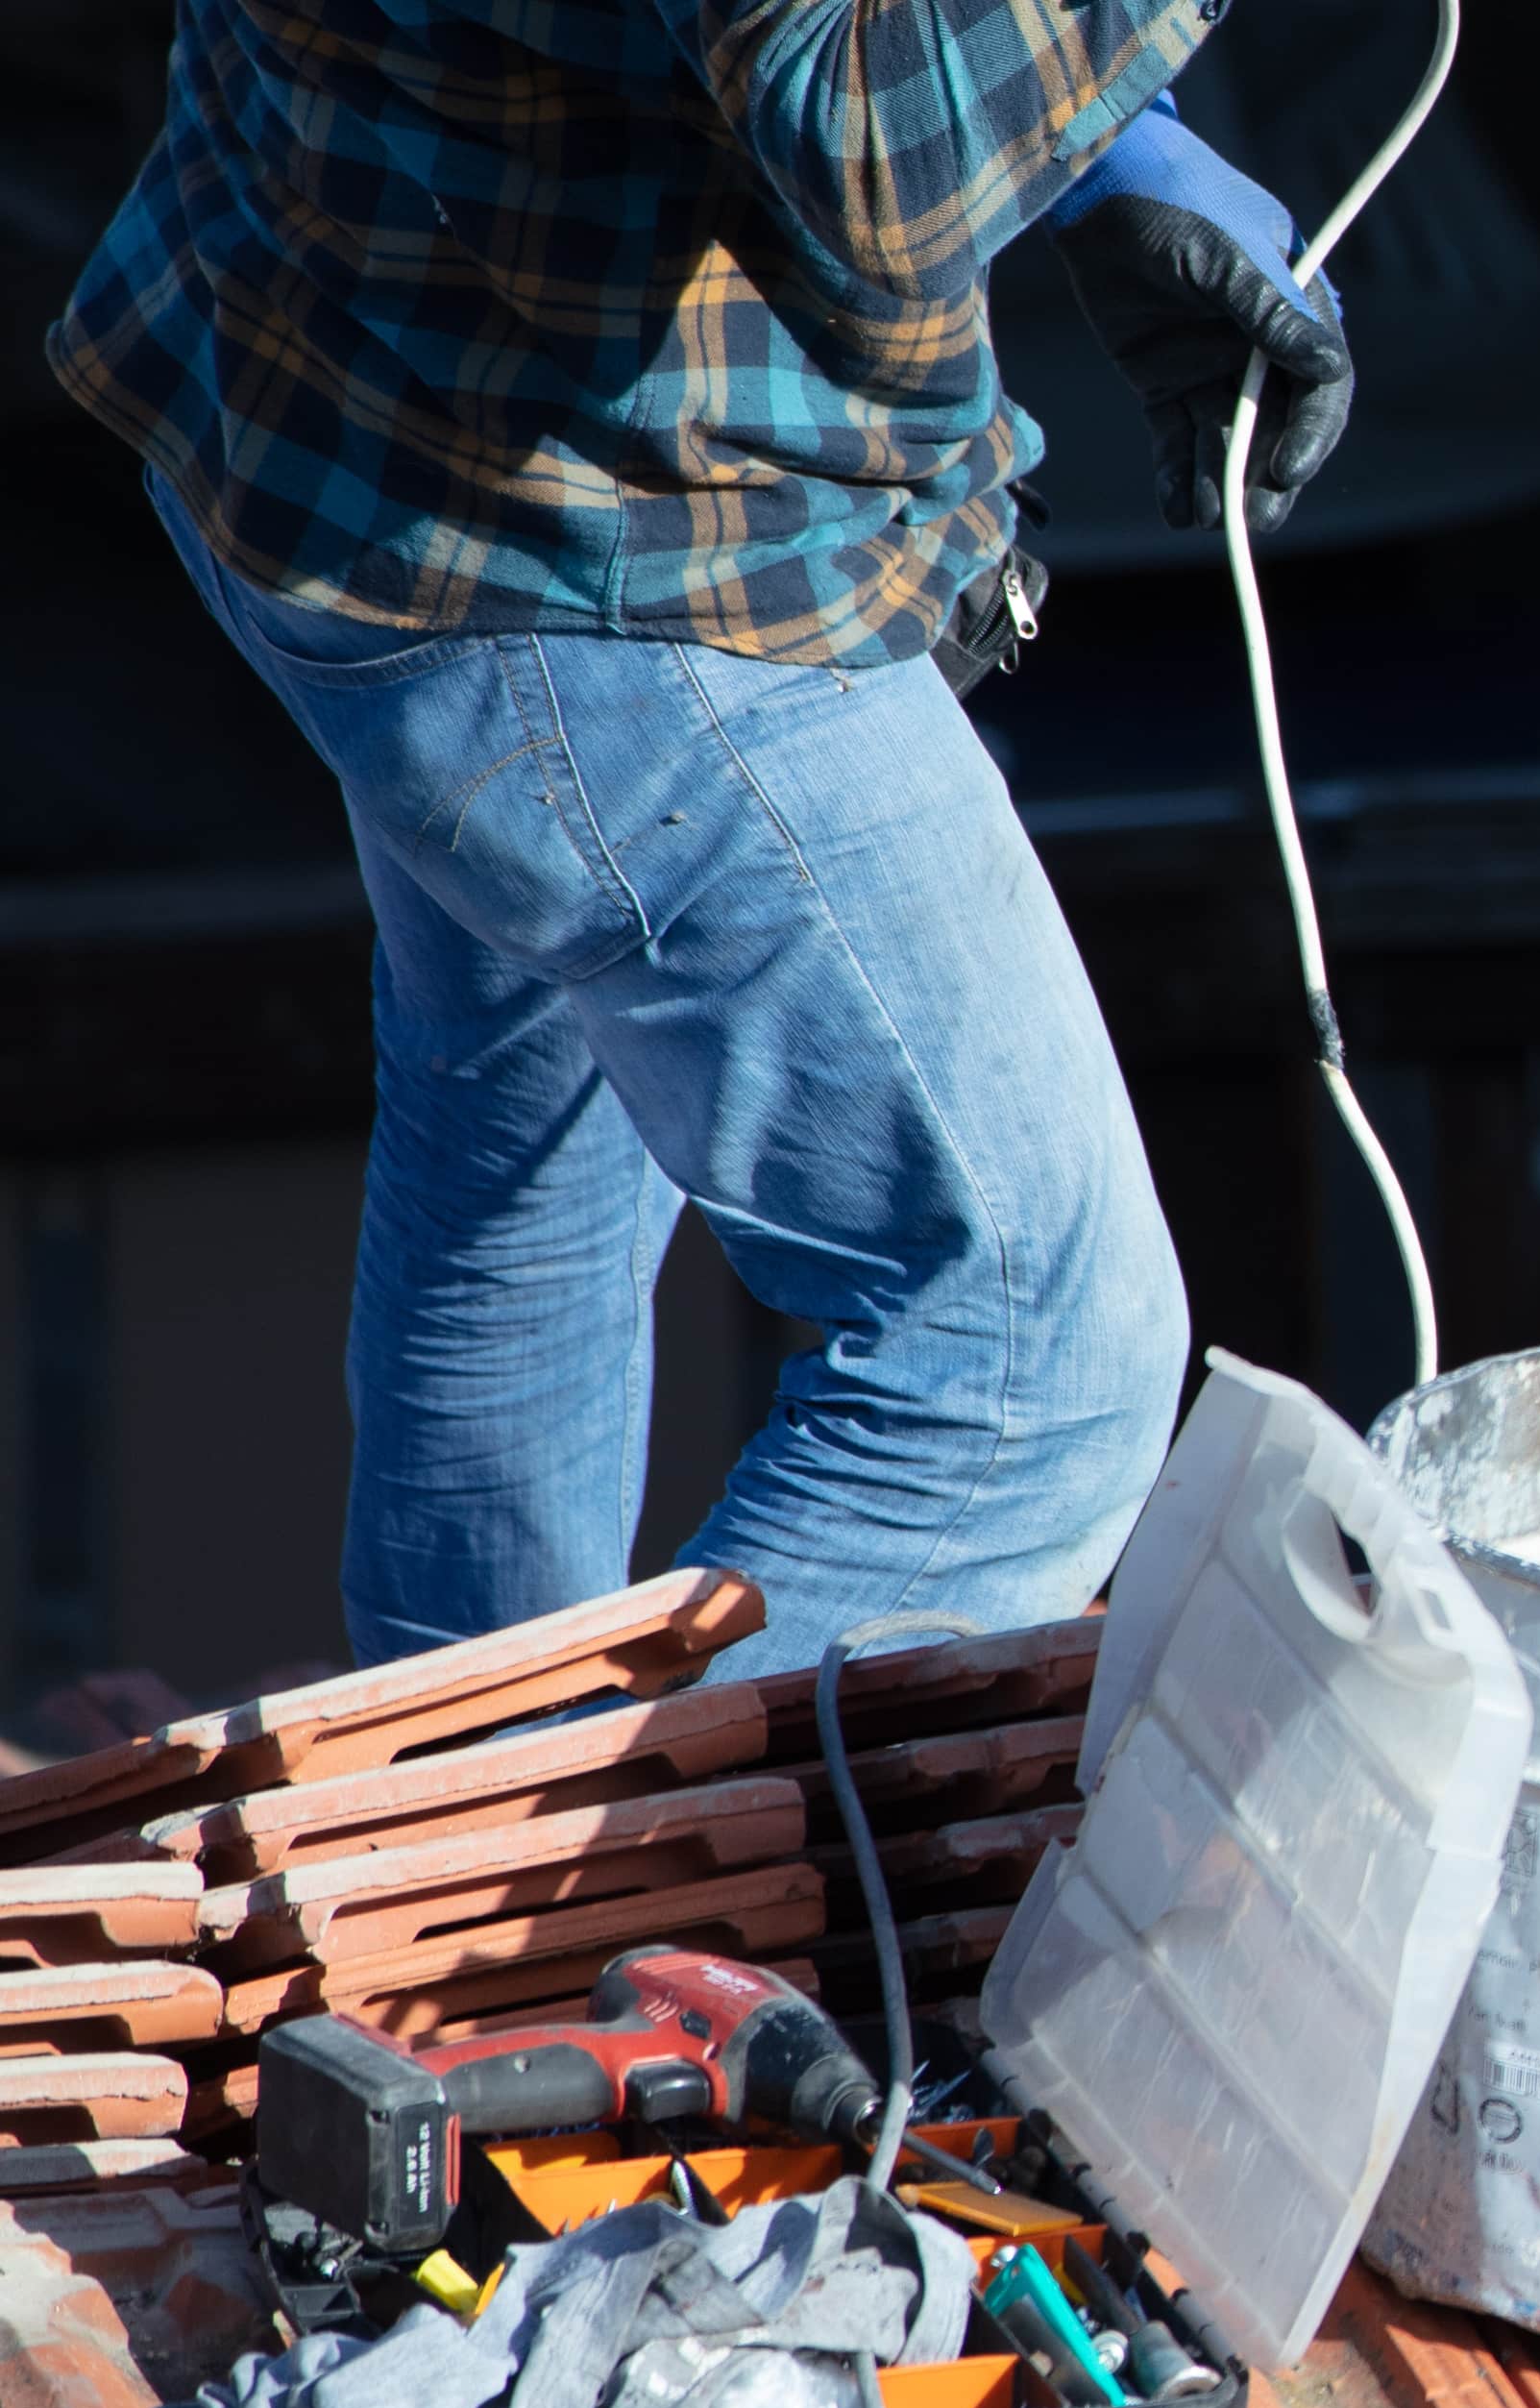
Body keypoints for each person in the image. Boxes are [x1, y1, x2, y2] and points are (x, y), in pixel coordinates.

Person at [45, 3, 1366, 1680]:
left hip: (361, 408)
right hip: (604, 575)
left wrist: (1107, 144)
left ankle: (442, 1850)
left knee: (521, 1168)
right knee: (1028, 1351)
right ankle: (562, 1913)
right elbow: (879, 135)